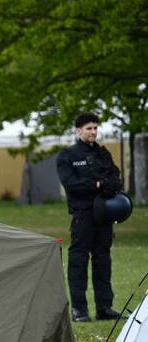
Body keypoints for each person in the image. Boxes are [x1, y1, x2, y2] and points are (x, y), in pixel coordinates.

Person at [56, 112, 123, 322]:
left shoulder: (104, 154)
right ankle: (79, 310)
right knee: (78, 261)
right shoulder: (67, 156)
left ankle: (104, 308)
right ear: (78, 131)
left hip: (104, 215)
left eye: (95, 128)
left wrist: (99, 185)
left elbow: (115, 181)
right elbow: (71, 185)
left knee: (103, 260)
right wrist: (96, 185)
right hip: (82, 215)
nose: (93, 132)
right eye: (89, 128)